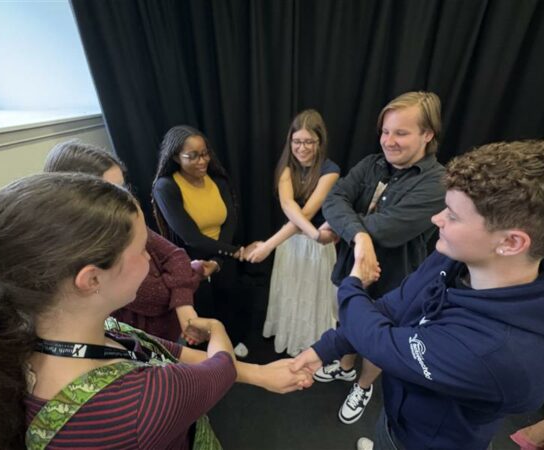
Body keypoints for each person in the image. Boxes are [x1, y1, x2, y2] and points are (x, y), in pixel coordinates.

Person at [0, 173, 312, 449]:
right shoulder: (140, 402)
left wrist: (259, 373)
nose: (150, 258)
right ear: (91, 279)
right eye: (140, 251)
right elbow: (219, 369)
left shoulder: (43, 334)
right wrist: (218, 330)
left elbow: (166, 351)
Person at [293, 139, 544, 450]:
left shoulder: (501, 353)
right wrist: (326, 348)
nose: (436, 219)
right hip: (397, 417)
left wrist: (353, 283)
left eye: (453, 216)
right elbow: (393, 306)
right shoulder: (457, 257)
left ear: (510, 243)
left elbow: (380, 342)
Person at [313, 91, 446, 425]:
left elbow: (387, 229)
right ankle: (345, 367)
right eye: (385, 131)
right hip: (350, 267)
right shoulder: (371, 163)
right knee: (347, 320)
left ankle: (363, 385)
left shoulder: (437, 183)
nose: (388, 141)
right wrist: (359, 236)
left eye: (400, 133)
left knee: (377, 340)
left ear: (427, 135)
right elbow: (334, 198)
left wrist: (345, 225)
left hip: (394, 282)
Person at [44, 139, 210, 343]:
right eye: (112, 193)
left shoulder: (127, 221)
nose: (127, 199)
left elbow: (175, 255)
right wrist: (194, 272)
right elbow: (157, 298)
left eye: (123, 188)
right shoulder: (93, 254)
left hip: (172, 329)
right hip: (145, 344)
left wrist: (182, 302)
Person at [246, 109, 340, 356]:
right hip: (291, 242)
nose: (302, 148)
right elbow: (289, 207)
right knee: (290, 291)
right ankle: (289, 336)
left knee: (312, 295)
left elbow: (306, 213)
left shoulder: (330, 170)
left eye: (309, 141)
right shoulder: (287, 169)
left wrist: (269, 245)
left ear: (320, 141)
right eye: (297, 141)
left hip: (316, 247)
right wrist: (313, 234)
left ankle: (313, 346)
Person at [152, 126, 250, 357]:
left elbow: (230, 223)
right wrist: (234, 252)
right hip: (190, 257)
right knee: (203, 307)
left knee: (230, 296)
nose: (202, 160)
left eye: (205, 153)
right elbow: (190, 237)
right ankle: (209, 354)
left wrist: (220, 259)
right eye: (193, 156)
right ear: (176, 157)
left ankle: (233, 339)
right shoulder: (166, 187)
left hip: (222, 252)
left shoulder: (218, 181)